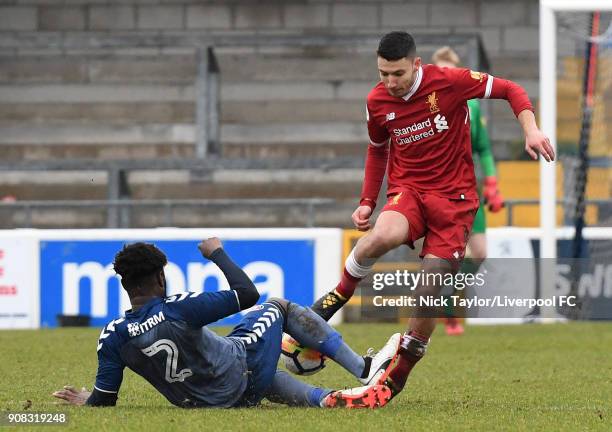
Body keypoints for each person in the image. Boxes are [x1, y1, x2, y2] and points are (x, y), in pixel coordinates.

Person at [310, 31, 555, 397]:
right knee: (380, 236)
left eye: (398, 74)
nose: (390, 83)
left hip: (454, 200)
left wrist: (531, 130)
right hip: (408, 191)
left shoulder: (450, 83)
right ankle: (331, 302)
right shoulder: (376, 101)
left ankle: (395, 378)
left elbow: (510, 89)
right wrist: (366, 201)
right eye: (383, 74)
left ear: (417, 65)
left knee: (429, 288)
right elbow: (378, 150)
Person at [52, 238, 400, 409]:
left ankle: (328, 399)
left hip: (208, 401)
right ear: (160, 278)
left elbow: (105, 399)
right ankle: (365, 368)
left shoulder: (112, 336)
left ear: (126, 285)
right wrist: (217, 252)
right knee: (277, 306)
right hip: (240, 372)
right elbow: (247, 293)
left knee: (260, 362)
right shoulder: (178, 308)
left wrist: (90, 400)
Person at [432, 46, 505, 336]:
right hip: (435, 192)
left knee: (480, 253)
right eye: (441, 71)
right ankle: (446, 314)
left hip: (466, 190)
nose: (446, 77)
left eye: (451, 72)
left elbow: (484, 148)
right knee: (444, 257)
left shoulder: (473, 107)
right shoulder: (425, 108)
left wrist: (492, 182)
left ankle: (445, 299)